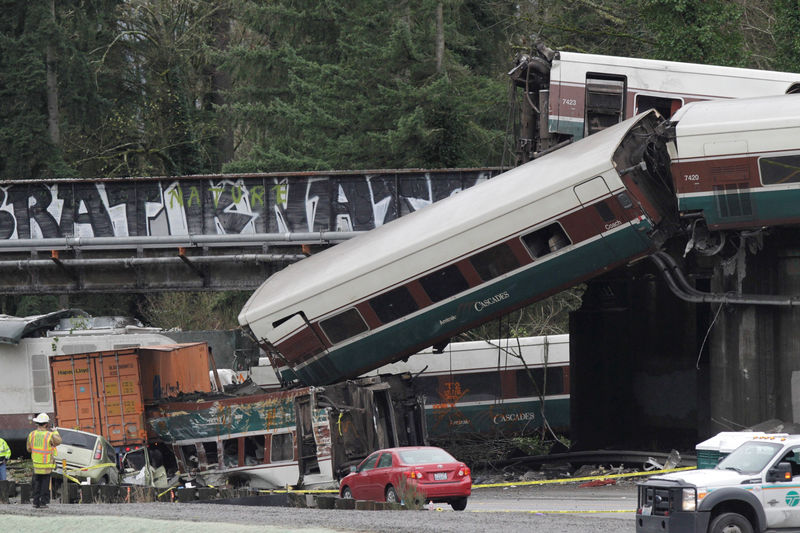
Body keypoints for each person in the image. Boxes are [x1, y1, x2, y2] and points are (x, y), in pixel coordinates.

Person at [26, 413, 61, 509]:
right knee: (45, 484)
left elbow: (29, 449)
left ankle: (35, 502)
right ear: (46, 424)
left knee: (36, 483)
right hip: (46, 464)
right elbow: (58, 442)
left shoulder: (32, 434)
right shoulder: (49, 435)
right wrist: (55, 432)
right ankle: (43, 502)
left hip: (36, 464)